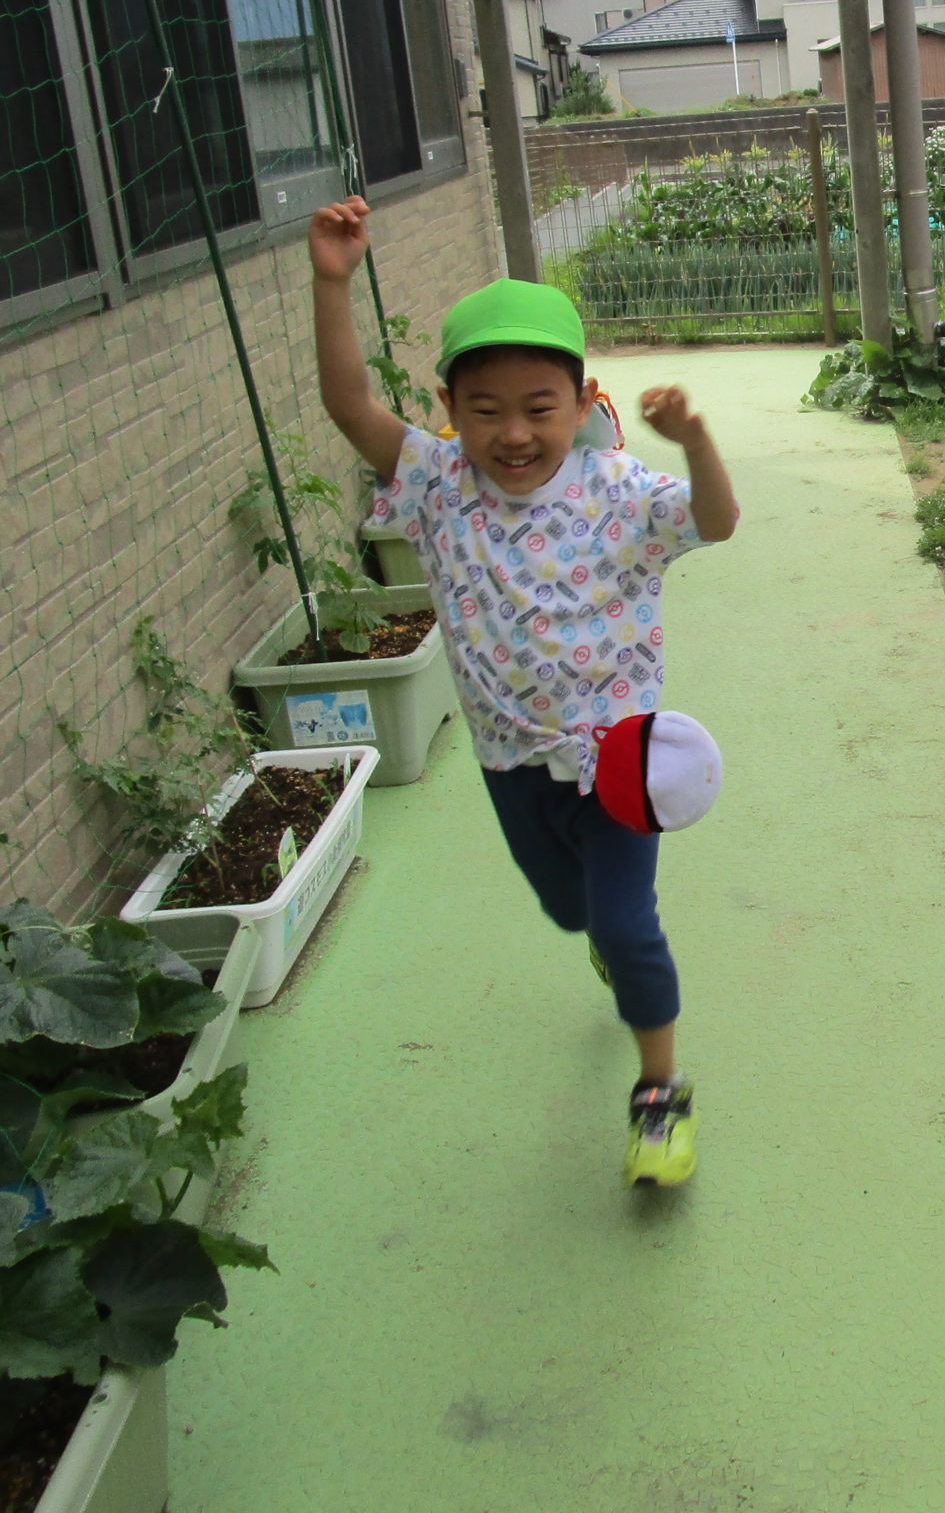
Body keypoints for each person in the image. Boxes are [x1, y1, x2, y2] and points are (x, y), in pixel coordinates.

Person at [308, 195, 739, 1184]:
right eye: (486, 409)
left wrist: (696, 442)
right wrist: (333, 281)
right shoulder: (435, 486)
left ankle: (659, 1097)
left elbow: (714, 521)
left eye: (540, 408)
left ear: (584, 403)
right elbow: (348, 408)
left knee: (630, 925)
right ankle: (599, 939)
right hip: (512, 764)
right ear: (450, 408)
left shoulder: (619, 493)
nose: (513, 433)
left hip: (617, 763)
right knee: (568, 911)